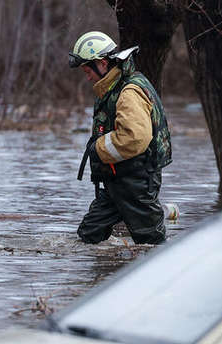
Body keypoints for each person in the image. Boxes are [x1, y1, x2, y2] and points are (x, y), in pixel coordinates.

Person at [69, 31, 172, 245]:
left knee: (151, 243)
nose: (87, 77)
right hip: (118, 180)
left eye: (88, 70)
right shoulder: (113, 88)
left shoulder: (128, 92)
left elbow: (134, 138)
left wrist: (97, 149)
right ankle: (102, 275)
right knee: (89, 235)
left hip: (136, 182)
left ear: (103, 63)